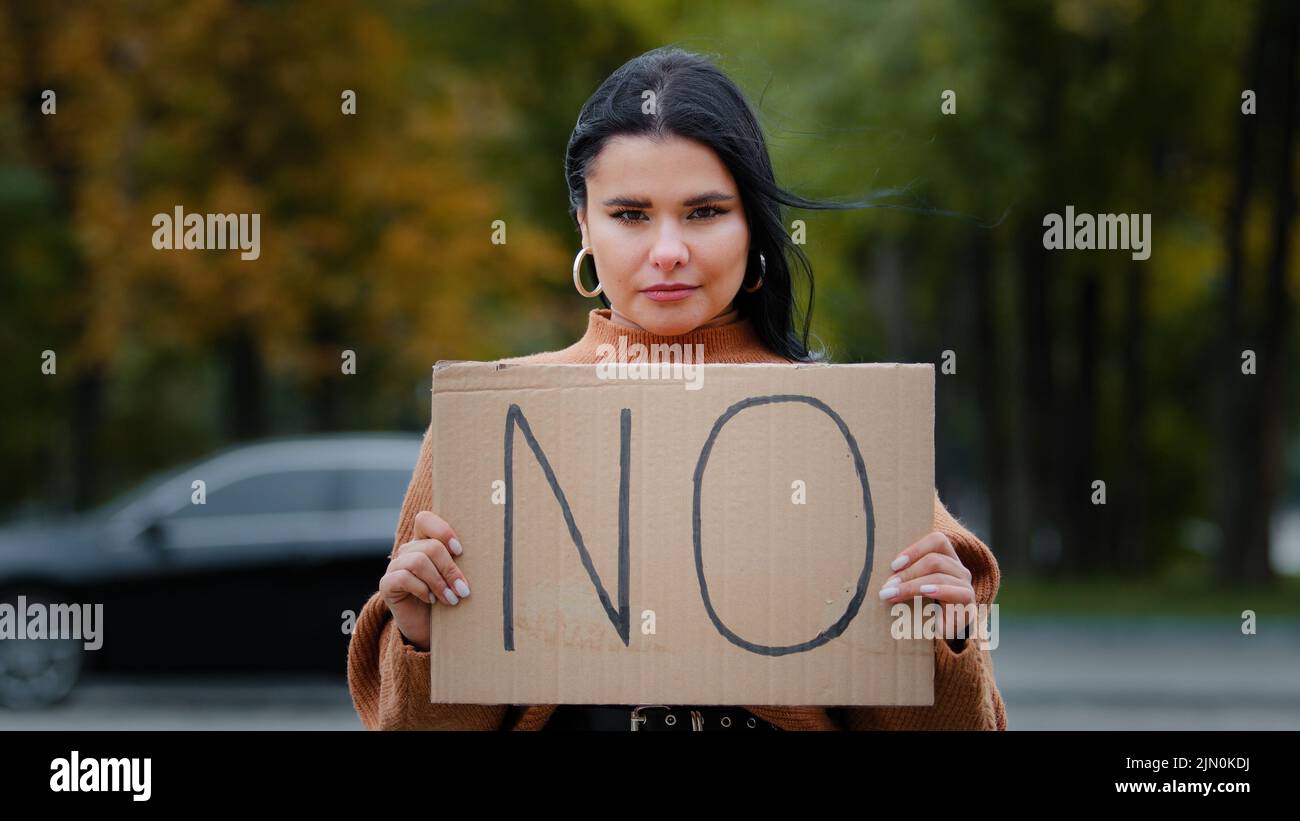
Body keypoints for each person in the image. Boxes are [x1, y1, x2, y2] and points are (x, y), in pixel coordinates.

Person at [347, 46, 1006, 731]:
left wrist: (940, 637)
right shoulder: (492, 427)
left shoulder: (842, 430)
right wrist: (426, 640)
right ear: (583, 224)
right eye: (630, 214)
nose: (667, 251)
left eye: (704, 212)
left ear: (752, 226)